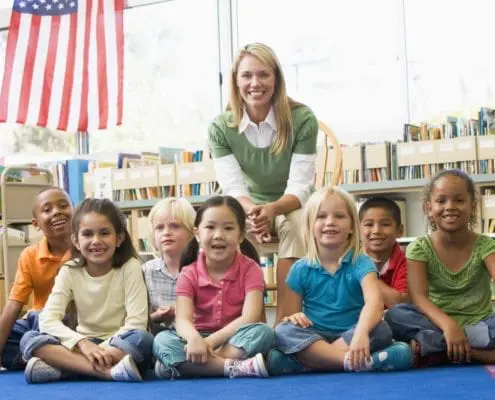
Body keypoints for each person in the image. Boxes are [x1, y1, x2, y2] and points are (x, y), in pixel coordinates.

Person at [208, 42, 319, 324]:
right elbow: (233, 187)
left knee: (294, 226)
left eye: (263, 74)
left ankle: (285, 320)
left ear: (276, 79)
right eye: (246, 76)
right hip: (246, 206)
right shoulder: (221, 127)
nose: (254, 83)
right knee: (217, 229)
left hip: (292, 204)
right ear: (236, 81)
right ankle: (250, 324)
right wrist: (254, 212)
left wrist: (271, 210)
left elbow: (300, 187)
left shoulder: (302, 119)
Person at [267, 187, 413, 376]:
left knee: (381, 328)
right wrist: (293, 317)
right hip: (315, 336)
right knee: (284, 331)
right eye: (321, 216)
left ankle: (314, 362)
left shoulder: (361, 262)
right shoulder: (300, 269)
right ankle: (351, 362)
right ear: (310, 225)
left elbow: (375, 303)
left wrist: (360, 334)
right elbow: (290, 315)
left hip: (353, 334)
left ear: (353, 226)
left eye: (339, 216)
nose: (330, 222)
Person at [19, 198, 153, 383]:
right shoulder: (69, 270)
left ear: (119, 238)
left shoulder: (130, 267)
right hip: (80, 344)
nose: (96, 241)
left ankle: (67, 368)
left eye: (105, 233)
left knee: (143, 339)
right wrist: (83, 344)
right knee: (30, 339)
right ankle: (107, 372)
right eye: (87, 234)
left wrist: (100, 351)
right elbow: (48, 319)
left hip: (117, 343)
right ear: (75, 240)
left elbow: (136, 324)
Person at [153, 196, 274, 379]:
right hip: (196, 338)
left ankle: (190, 367)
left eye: (228, 228)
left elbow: (250, 316)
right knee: (162, 341)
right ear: (197, 233)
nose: (218, 235)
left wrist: (208, 344)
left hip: (233, 339)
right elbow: (182, 320)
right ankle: (233, 367)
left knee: (264, 333)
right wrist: (195, 339)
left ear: (241, 235)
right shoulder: (188, 273)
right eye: (210, 227)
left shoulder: (251, 269)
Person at [385, 169, 495, 367]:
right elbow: (419, 298)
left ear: (473, 205)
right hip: (435, 324)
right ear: (429, 207)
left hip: (480, 325)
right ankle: (474, 352)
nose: (450, 207)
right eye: (441, 201)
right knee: (396, 315)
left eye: (459, 200)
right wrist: (449, 325)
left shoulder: (486, 246)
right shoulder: (419, 248)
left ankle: (440, 350)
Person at [0, 187, 73, 371]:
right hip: (41, 323)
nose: (57, 212)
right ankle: (61, 359)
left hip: (77, 321)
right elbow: (14, 305)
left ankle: (49, 358)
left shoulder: (87, 248)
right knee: (8, 342)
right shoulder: (30, 255)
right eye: (47, 210)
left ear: (75, 211)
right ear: (36, 223)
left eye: (63, 206)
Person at [142, 198, 196, 335]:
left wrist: (185, 313)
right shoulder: (146, 271)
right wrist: (157, 316)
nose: (166, 232)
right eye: (160, 228)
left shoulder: (202, 270)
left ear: (192, 232)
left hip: (196, 334)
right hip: (158, 336)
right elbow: (138, 321)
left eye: (175, 226)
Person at [359, 196, 408, 308]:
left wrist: (366, 275)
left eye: (385, 224)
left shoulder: (406, 262)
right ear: (358, 230)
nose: (376, 231)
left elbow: (400, 303)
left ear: (399, 231)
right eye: (369, 224)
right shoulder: (351, 260)